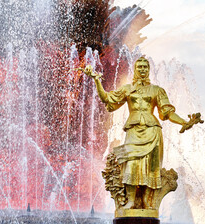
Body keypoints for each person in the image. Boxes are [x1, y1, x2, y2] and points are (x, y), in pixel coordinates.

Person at [84, 57, 198, 209]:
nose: (143, 69)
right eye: (140, 67)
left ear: (148, 70)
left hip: (152, 131)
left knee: (151, 168)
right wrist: (97, 80)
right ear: (135, 70)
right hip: (133, 130)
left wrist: (184, 122)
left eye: (145, 67)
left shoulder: (157, 90)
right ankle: (130, 201)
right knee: (131, 164)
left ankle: (146, 201)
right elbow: (107, 98)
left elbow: (168, 112)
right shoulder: (127, 89)